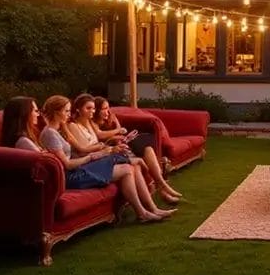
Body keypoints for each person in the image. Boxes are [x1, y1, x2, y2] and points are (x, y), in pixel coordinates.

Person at [38, 95, 173, 222]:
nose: (69, 114)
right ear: (56, 112)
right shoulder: (51, 134)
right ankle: (144, 210)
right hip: (71, 176)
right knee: (126, 165)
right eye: (66, 111)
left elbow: (85, 144)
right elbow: (67, 164)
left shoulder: (59, 129)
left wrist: (105, 146)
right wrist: (92, 157)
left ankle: (150, 208)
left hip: (78, 168)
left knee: (129, 166)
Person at [82, 95, 182, 203]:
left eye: (108, 108)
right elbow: (101, 135)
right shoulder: (92, 122)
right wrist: (116, 134)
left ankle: (162, 186)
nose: (107, 111)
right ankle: (163, 188)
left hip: (126, 142)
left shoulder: (112, 116)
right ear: (97, 110)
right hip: (116, 147)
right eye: (104, 109)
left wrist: (118, 133)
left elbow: (122, 132)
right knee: (144, 153)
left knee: (148, 149)